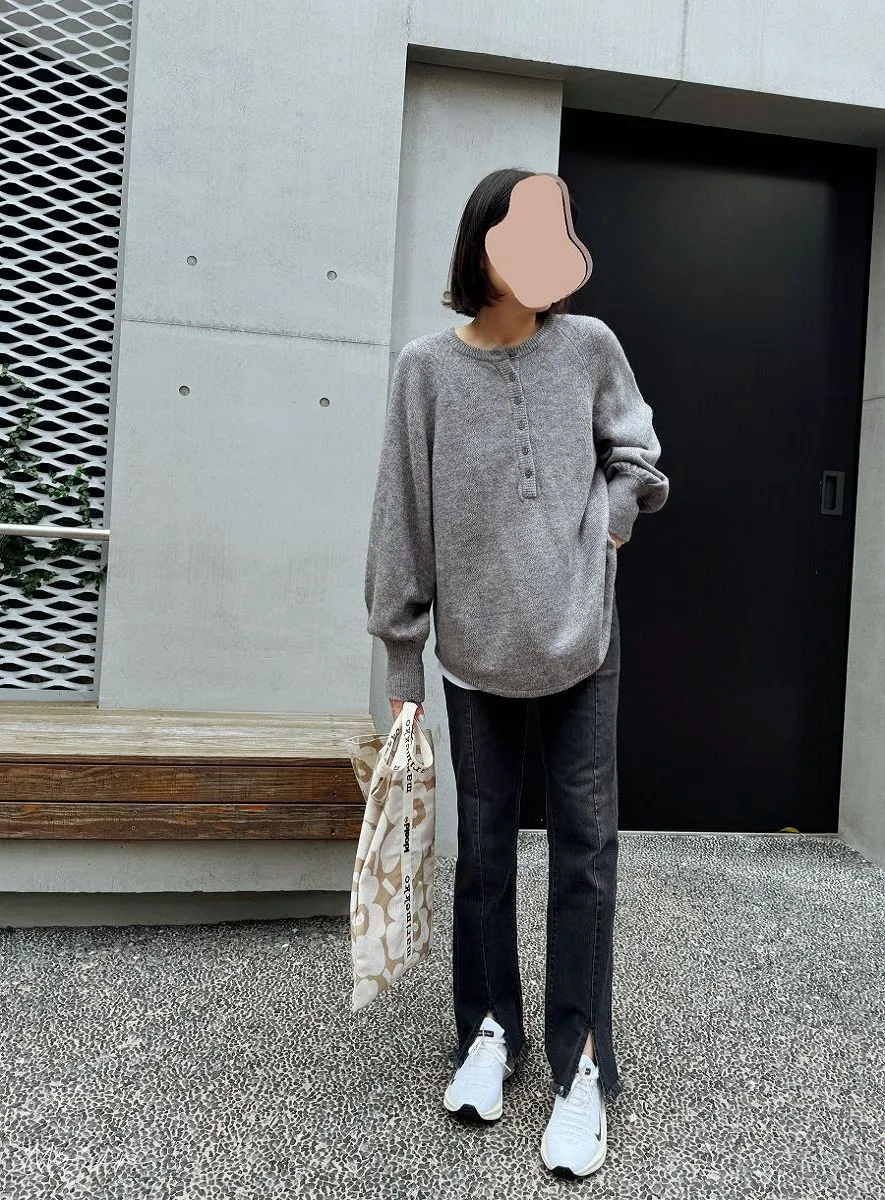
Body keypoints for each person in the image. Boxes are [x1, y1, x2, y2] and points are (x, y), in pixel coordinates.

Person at [364, 167, 669, 1178]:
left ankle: (581, 1064)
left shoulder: (589, 347)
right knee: (484, 852)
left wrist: (613, 523)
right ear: (480, 247)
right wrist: (401, 656)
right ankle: (489, 1032)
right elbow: (402, 515)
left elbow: (637, 450)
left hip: (582, 638)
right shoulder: (424, 370)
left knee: (585, 854)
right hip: (472, 653)